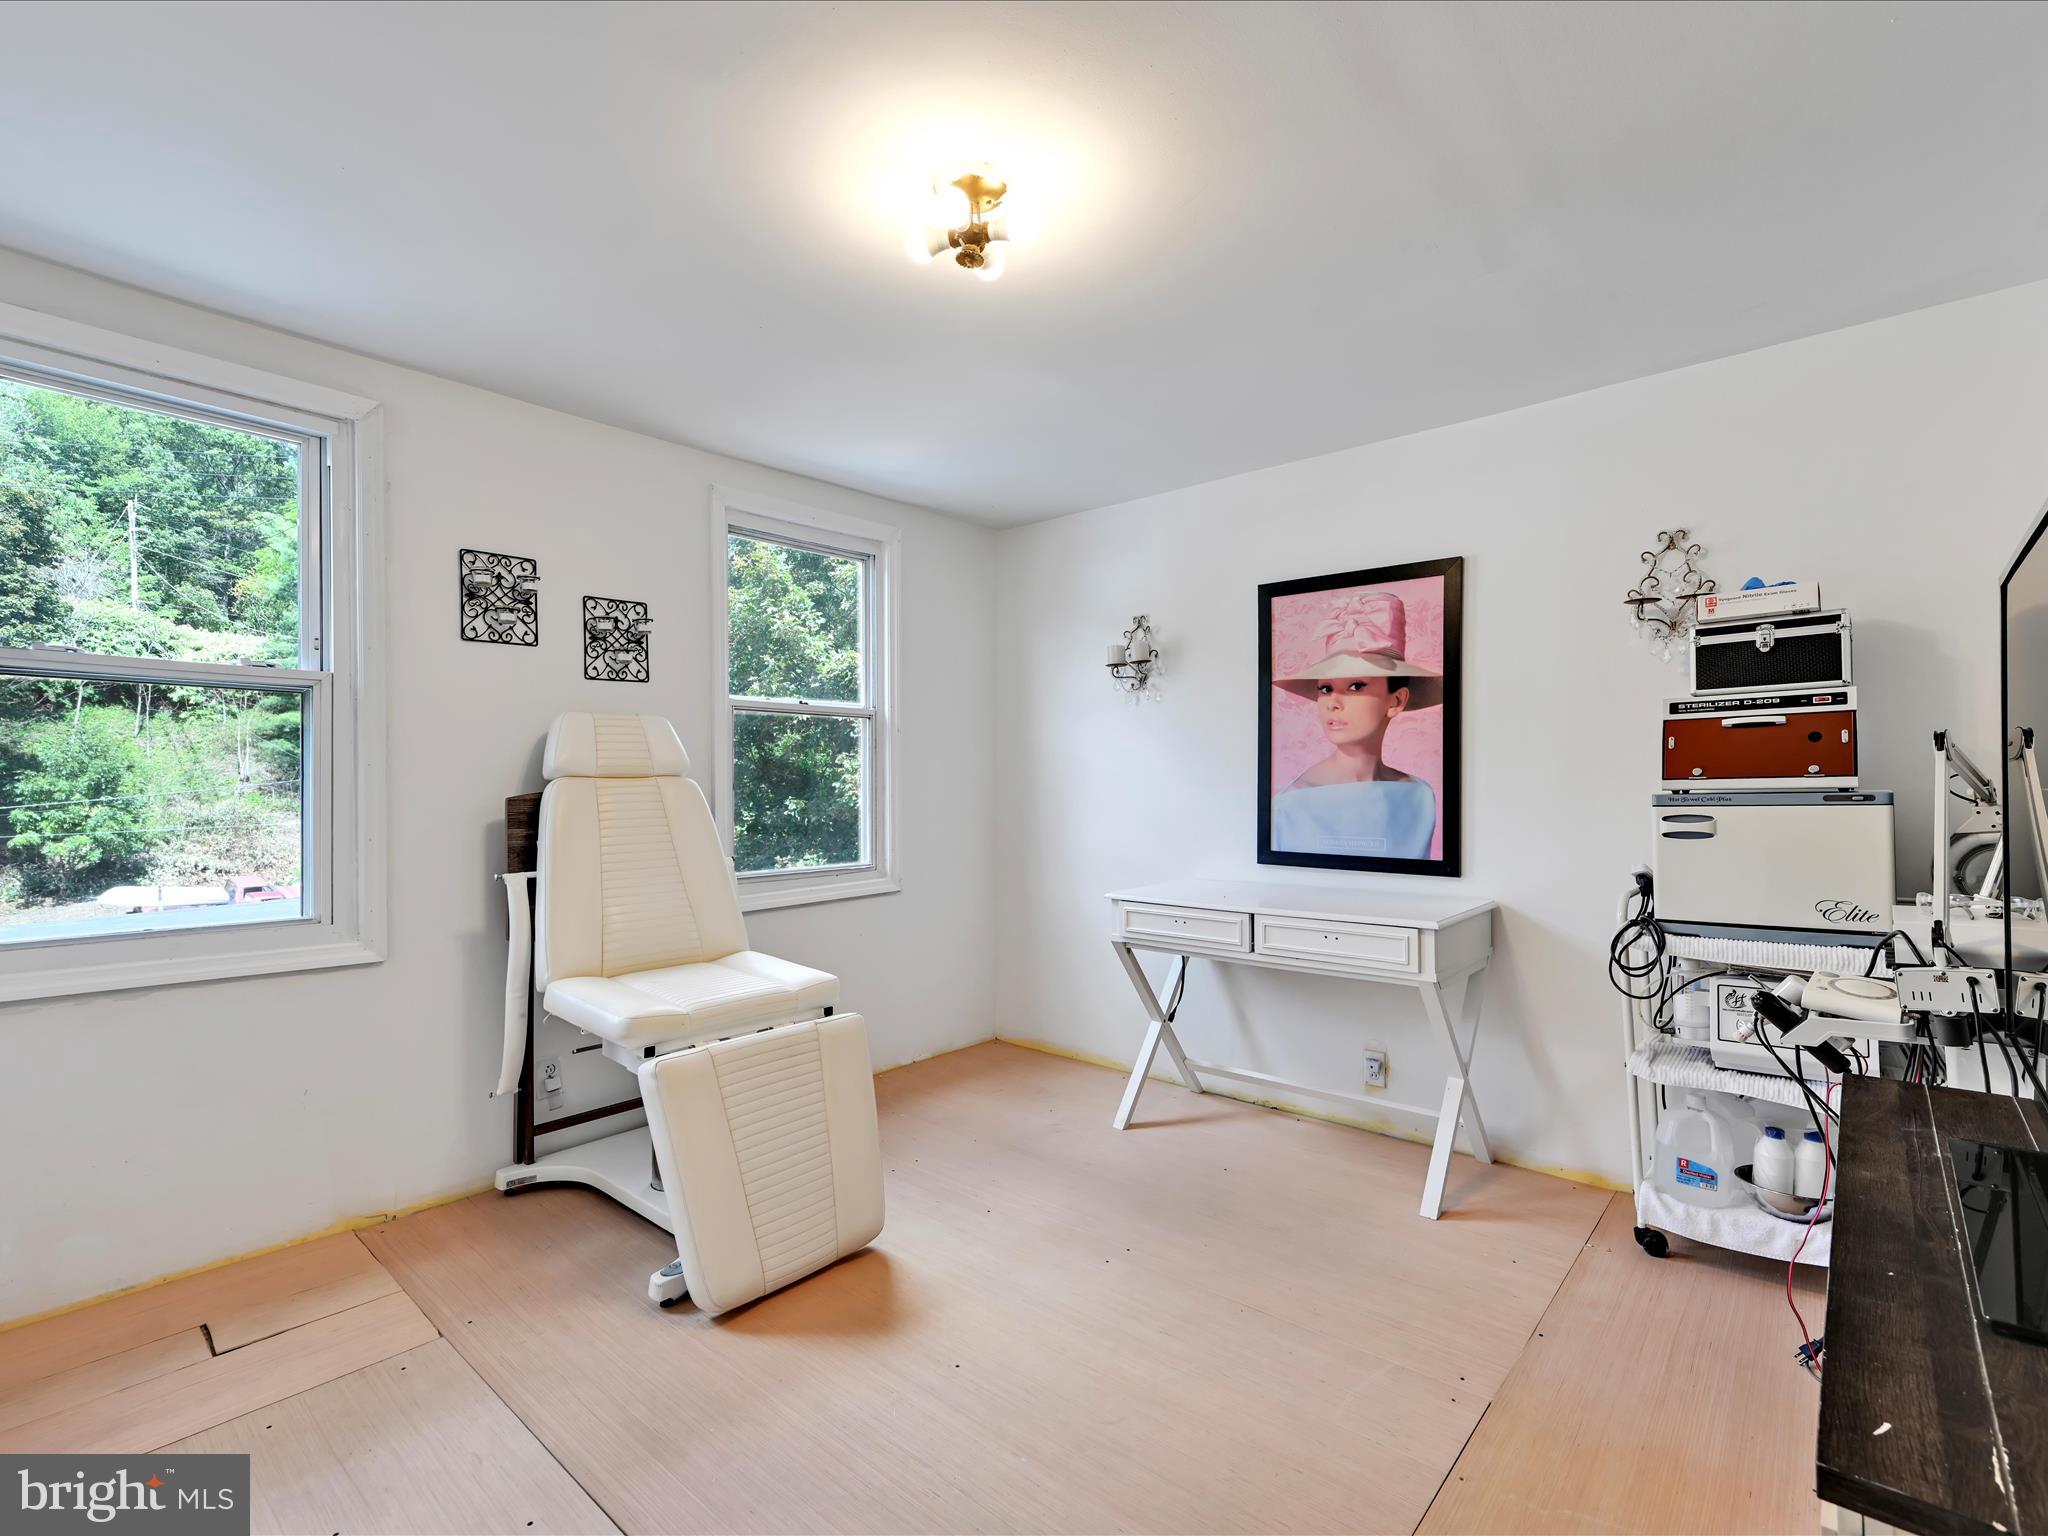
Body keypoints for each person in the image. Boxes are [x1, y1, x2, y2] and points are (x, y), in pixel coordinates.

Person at [1270, 590, 1440, 859]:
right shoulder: (1290, 805)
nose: (1333, 703)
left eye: (1356, 686)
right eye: (1325, 688)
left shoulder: (1420, 797)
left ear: (1396, 700)